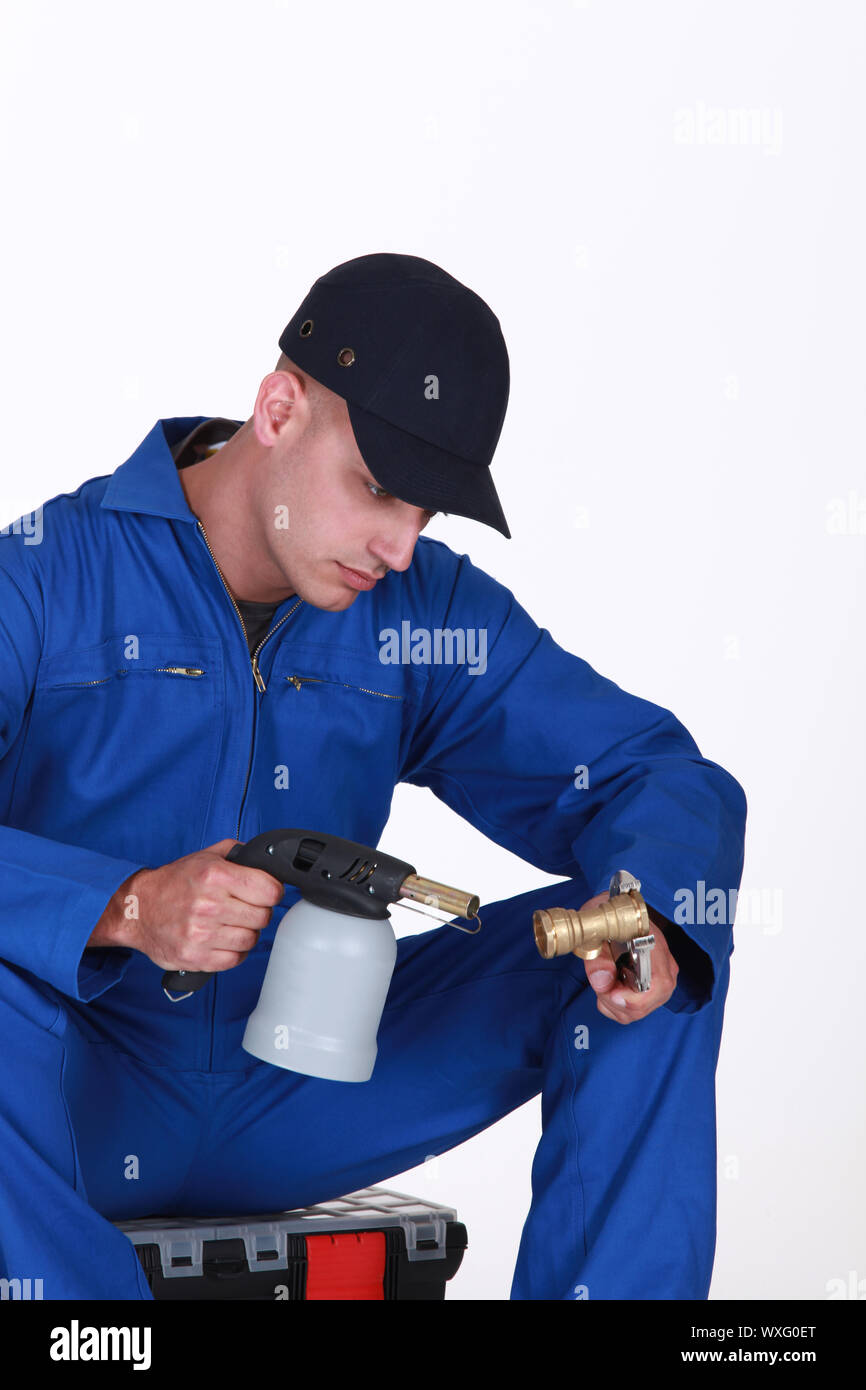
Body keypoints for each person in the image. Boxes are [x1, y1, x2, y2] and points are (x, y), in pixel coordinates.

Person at [0, 252, 746, 1301]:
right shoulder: (45, 576)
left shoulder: (423, 617)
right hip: (76, 1104)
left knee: (648, 943)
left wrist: (647, 908)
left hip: (307, 1081)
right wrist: (123, 906)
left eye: (428, 510)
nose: (399, 546)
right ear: (277, 410)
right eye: (379, 487)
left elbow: (656, 774)